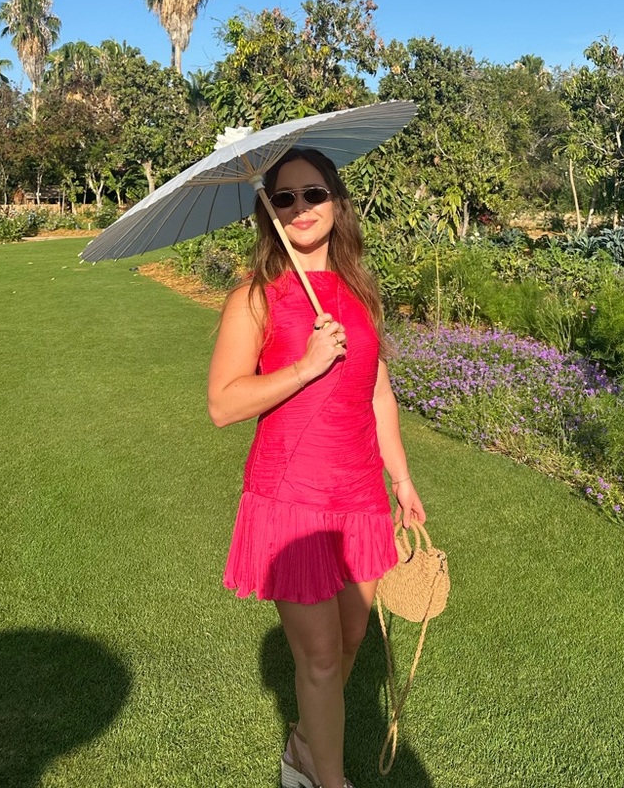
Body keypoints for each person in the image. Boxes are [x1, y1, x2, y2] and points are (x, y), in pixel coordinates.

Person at [208, 146, 426, 788]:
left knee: (352, 641)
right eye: (284, 197)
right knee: (323, 657)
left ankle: (305, 746)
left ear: (336, 201)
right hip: (291, 497)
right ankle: (328, 780)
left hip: (359, 495)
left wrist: (402, 477)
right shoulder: (255, 298)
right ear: (267, 212)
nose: (301, 208)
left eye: (313, 193)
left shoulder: (359, 295)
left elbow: (377, 391)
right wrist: (303, 365)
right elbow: (223, 404)